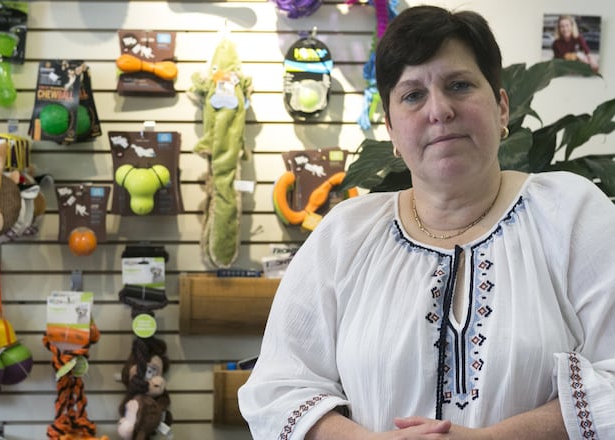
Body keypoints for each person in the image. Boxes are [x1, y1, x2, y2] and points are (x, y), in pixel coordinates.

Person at [238, 5, 615, 440]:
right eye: (413, 95)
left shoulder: (572, 213)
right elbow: (278, 389)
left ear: (501, 108)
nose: (439, 111)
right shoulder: (345, 234)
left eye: (459, 85)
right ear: (392, 130)